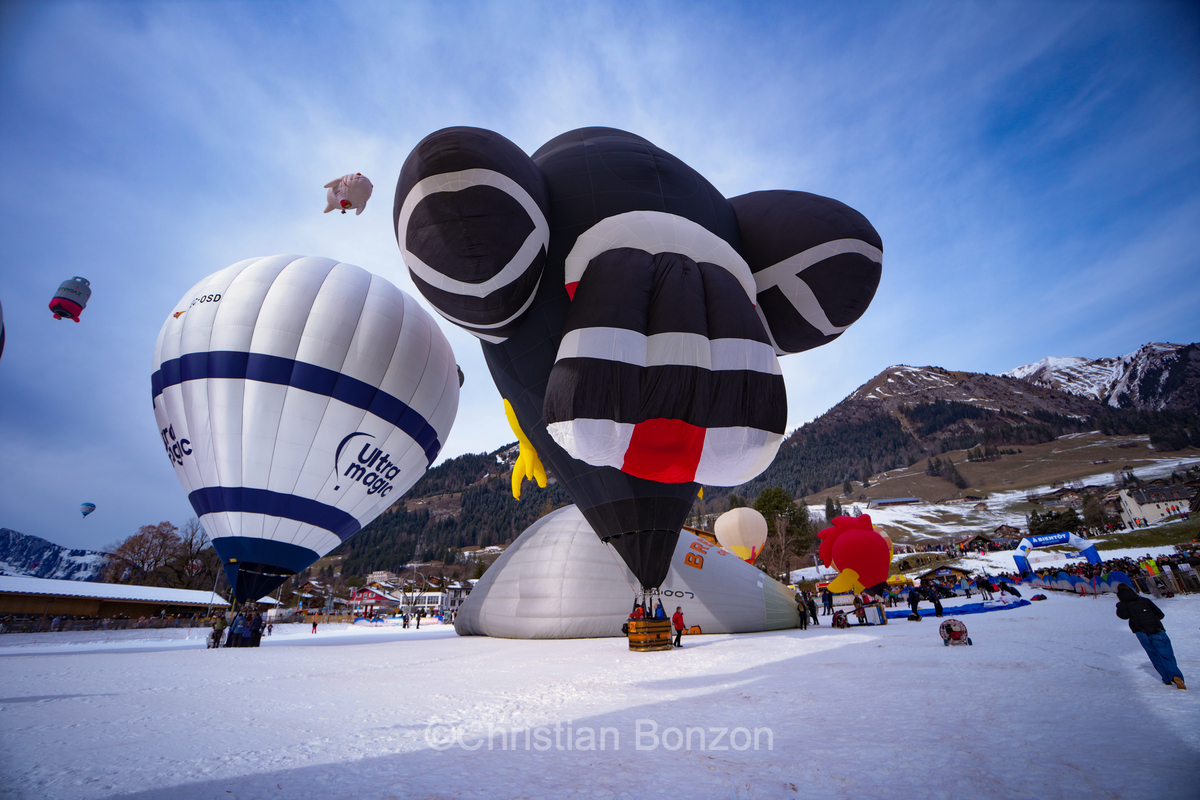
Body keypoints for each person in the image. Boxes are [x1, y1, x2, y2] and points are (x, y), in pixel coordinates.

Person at [1115, 583, 1185, 690]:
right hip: (1157, 629)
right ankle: (1175, 676)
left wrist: (1120, 605)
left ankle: (1166, 679)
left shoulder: (1123, 605)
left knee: (1154, 655)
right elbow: (1160, 615)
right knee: (1167, 655)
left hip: (1141, 632)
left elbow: (1123, 616)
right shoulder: (1145, 600)